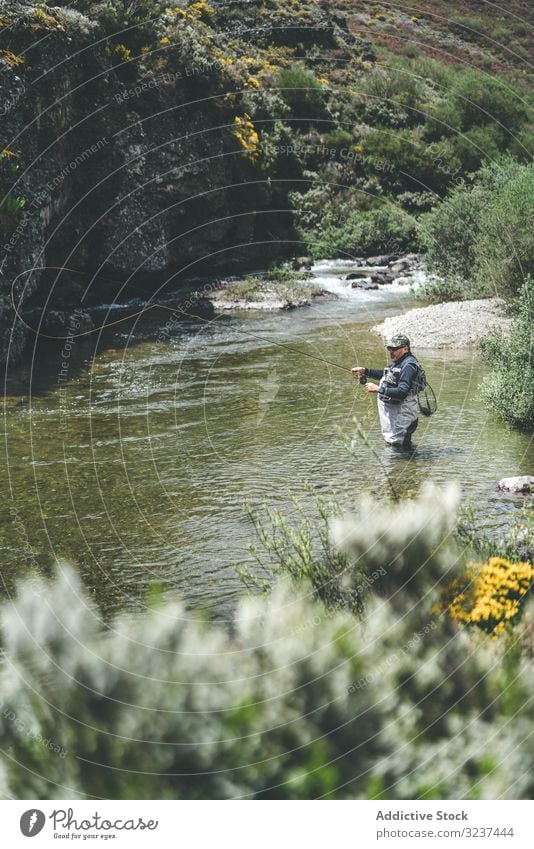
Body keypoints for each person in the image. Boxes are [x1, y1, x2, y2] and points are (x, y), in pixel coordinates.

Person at [351, 334, 422, 448]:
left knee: (399, 452)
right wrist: (365, 371)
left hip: (403, 418)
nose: (391, 352)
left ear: (405, 349)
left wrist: (379, 389)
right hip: (396, 417)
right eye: (389, 349)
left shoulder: (409, 366)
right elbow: (388, 375)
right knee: (397, 449)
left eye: (394, 349)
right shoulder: (400, 362)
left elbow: (402, 391)